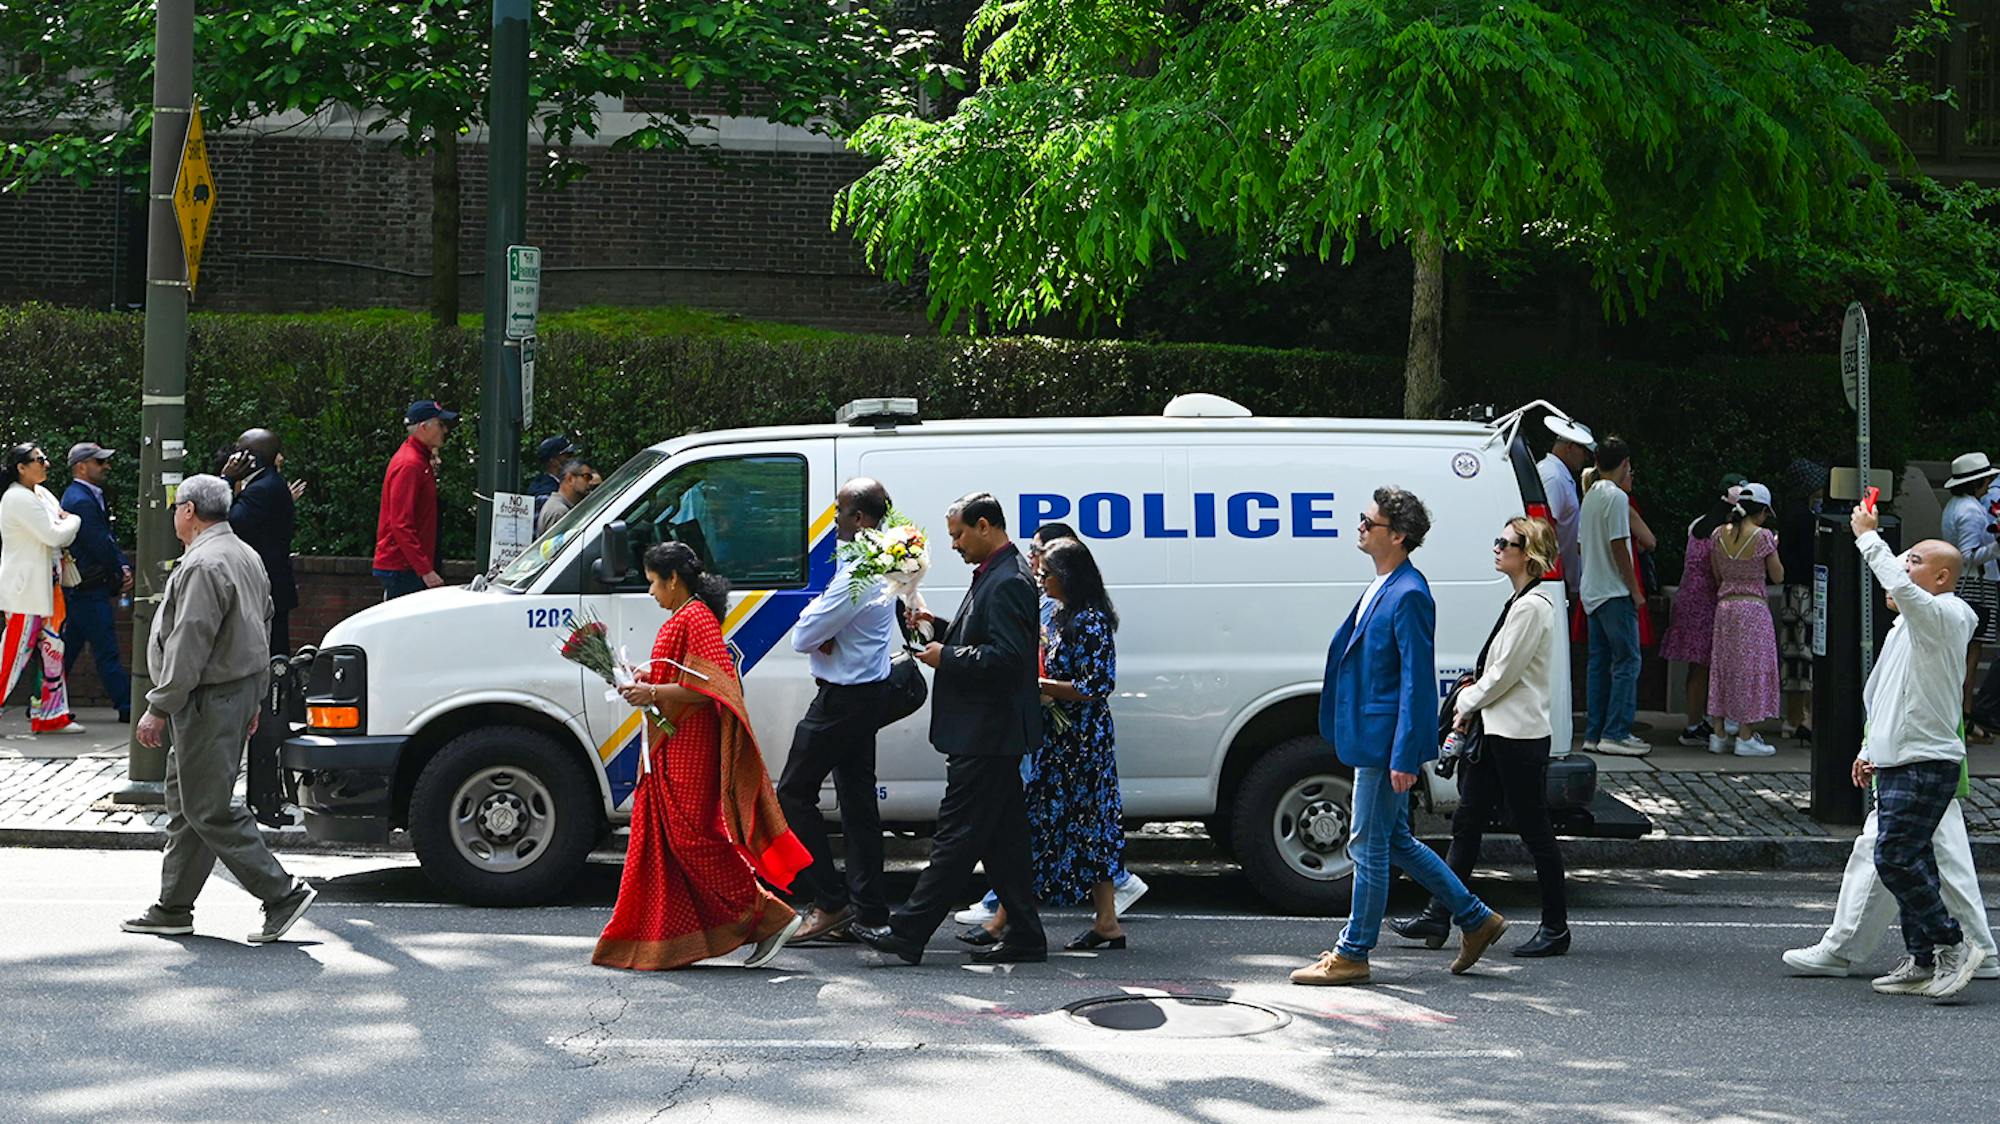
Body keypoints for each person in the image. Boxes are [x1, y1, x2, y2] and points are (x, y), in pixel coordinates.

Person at [1290, 487, 1505, 986]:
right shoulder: (1384, 584)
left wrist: (1405, 754)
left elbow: (1416, 680)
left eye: (1370, 523)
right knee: (1396, 841)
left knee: (1366, 843)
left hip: (1387, 743)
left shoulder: (1409, 592)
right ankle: (1475, 918)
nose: (1361, 527)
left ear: (1399, 535)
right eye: (1363, 520)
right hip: (1373, 736)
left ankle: (1353, 953)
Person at [593, 542, 810, 970]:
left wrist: (652, 691)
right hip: (671, 743)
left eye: (654, 582)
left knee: (693, 839)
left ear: (674, 579)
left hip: (690, 745)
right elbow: (686, 675)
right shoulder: (686, 616)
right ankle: (676, 940)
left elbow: (712, 688)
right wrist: (649, 676)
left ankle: (769, 915)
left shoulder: (695, 617)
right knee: (677, 840)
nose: (652, 592)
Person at [119, 475, 317, 944]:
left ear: (188, 511)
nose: (173, 515)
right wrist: (253, 696)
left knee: (207, 808)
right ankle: (173, 906)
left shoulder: (203, 564)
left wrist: (159, 706)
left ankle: (281, 893)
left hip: (208, 697)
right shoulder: (242, 553)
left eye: (175, 507)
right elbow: (262, 622)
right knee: (188, 804)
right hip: (233, 690)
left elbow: (191, 641)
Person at [852, 492, 1047, 965]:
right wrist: (936, 626)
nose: (955, 545)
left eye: (959, 534)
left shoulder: (1009, 581)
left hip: (987, 732)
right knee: (1003, 841)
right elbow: (982, 636)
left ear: (985, 526)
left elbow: (1009, 659)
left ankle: (909, 932)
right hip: (988, 732)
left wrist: (946, 657)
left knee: (957, 837)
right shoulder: (996, 574)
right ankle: (1025, 934)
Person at [954, 520, 1149, 927]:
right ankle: (1095, 923)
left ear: (1069, 578)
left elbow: (1097, 684)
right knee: (1043, 825)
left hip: (1083, 744)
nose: (1040, 581)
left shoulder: (1090, 620)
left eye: (1046, 575)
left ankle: (1009, 920)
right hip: (1058, 740)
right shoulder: (1058, 615)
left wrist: (1039, 685)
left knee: (1079, 827)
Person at [1391, 516, 1568, 958]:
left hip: (1518, 735)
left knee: (1535, 830)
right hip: (1498, 731)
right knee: (1467, 822)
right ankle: (1439, 912)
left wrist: (1466, 704)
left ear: (1527, 554)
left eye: (1504, 542)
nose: (1496, 547)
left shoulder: (1533, 606)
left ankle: (1556, 927)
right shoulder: (1519, 600)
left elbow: (1505, 674)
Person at [1845, 506, 1981, 1000]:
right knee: (1913, 858)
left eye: (1915, 560)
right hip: (1900, 759)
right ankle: (1923, 958)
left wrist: (1868, 538)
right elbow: (1884, 696)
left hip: (1926, 760)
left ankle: (1951, 944)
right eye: (1902, 559)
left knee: (1896, 857)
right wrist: (1870, 748)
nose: (1903, 567)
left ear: (1942, 577)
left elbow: (1902, 589)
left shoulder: (1947, 614)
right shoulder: (1904, 628)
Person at [778, 478, 899, 945]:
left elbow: (802, 635)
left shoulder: (860, 574)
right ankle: (868, 910)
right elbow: (819, 626)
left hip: (842, 697)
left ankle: (830, 901)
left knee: (793, 792)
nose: (833, 519)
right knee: (857, 802)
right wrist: (823, 626)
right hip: (864, 691)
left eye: (840, 511)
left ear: (861, 519)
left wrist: (819, 626)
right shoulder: (879, 561)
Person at [1783, 756, 1999, 982]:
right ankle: (1972, 948)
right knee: (1921, 853)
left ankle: (1963, 947)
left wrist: (1876, 750)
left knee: (1896, 853)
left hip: (1910, 762)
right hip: (1910, 760)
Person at [1, 443, 85, 735]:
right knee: (12, 656)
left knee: (53, 652)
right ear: (21, 467)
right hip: (26, 591)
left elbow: (57, 532)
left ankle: (52, 715)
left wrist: (64, 525)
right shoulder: (17, 498)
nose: (46, 463)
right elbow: (55, 533)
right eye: (39, 460)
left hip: (47, 588)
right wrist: (73, 520)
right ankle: (50, 714)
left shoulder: (40, 494)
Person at [1659, 475, 1746, 747]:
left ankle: (1695, 721)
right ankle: (1699, 724)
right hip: (1709, 602)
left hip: (1688, 599)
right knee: (1707, 667)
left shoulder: (1698, 524)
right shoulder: (1726, 532)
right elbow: (1721, 572)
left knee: (1698, 667)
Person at [1579, 437, 1649, 756]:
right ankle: (1617, 731)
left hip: (1591, 590)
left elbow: (1582, 545)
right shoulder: (1617, 498)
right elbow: (1619, 545)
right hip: (1614, 591)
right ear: (1624, 464)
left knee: (1598, 663)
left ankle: (1594, 732)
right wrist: (1635, 590)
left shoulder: (1591, 494)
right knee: (1627, 661)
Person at [1705, 482, 1782, 756]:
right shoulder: (1763, 537)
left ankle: (1718, 733)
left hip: (1725, 608)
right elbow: (1778, 576)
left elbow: (1717, 574)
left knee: (1723, 667)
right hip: (1753, 609)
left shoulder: (1717, 535)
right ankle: (1746, 735)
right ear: (1761, 511)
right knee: (1752, 669)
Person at [59, 442, 133, 722]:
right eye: (99, 462)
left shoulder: (83, 496)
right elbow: (99, 543)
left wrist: (120, 566)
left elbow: (104, 539)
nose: (105, 466)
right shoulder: (80, 500)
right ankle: (127, 706)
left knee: (67, 650)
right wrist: (119, 571)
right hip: (88, 589)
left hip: (84, 588)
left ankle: (42, 702)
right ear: (81, 466)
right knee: (106, 650)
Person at [222, 429, 301, 656]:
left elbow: (226, 522)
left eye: (238, 453)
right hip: (269, 584)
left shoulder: (262, 489)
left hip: (266, 587)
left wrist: (227, 479)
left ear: (251, 459)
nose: (233, 458)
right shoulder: (266, 484)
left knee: (269, 653)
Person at [1939, 452, 2000, 740]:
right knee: (1970, 655)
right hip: (1975, 585)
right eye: (1987, 480)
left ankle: (1962, 716)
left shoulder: (1956, 505)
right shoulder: (1971, 511)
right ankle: (1963, 716)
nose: (1989, 485)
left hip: (1964, 583)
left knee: (1964, 653)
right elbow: (1968, 556)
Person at [373, 400, 455, 600]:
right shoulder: (410, 465)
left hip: (408, 565)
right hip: (404, 567)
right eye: (440, 424)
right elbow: (401, 523)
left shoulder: (418, 461)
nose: (444, 430)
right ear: (424, 427)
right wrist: (425, 570)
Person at [1537, 416, 1594, 598]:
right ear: (1570, 446)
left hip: (1565, 580)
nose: (1585, 459)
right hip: (1559, 582)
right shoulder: (1553, 477)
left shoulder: (1558, 474)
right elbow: (1544, 530)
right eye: (1584, 451)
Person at [534, 458, 597, 536]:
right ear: (570, 479)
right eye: (587, 477)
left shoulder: (562, 507)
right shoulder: (559, 512)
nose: (590, 483)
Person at [527, 435, 580, 519]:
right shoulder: (544, 494)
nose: (573, 458)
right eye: (568, 455)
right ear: (554, 461)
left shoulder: (560, 484)